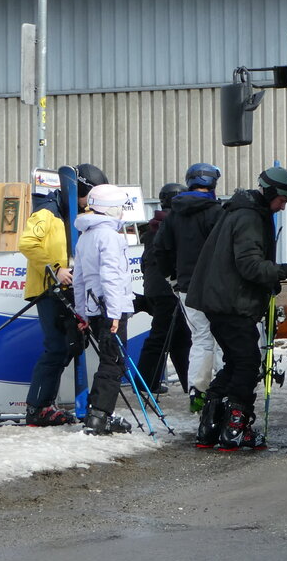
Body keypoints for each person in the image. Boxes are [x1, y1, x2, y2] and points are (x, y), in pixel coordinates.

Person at [187, 166, 287, 450]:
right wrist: (285, 270)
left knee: (236, 363)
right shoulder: (250, 217)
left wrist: (269, 283)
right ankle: (235, 427)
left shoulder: (244, 211)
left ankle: (210, 425)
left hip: (223, 301)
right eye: (282, 201)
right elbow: (249, 264)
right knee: (248, 364)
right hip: (231, 303)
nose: (282, 207)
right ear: (271, 193)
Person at [17, 162, 107, 427]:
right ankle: (37, 408)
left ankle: (45, 403)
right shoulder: (48, 211)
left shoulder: (79, 213)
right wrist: (55, 268)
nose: (88, 202)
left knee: (71, 346)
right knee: (57, 348)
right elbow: (27, 243)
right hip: (49, 289)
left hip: (71, 289)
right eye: (86, 197)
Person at [150, 163, 225, 412]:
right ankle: (225, 390)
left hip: (187, 286)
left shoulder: (173, 216)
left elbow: (159, 251)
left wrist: (172, 277)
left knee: (201, 338)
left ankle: (197, 394)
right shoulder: (218, 213)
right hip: (216, 286)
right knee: (223, 337)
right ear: (212, 183)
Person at [73, 183, 134, 436]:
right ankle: (99, 417)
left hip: (94, 306)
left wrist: (82, 313)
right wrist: (115, 312)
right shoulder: (109, 235)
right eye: (119, 207)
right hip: (110, 307)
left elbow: (79, 278)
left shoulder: (86, 234)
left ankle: (96, 413)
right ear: (109, 209)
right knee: (114, 362)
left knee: (109, 360)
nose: (121, 212)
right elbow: (111, 275)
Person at [136, 182, 190, 396]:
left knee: (180, 337)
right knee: (160, 336)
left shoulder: (153, 226)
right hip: (168, 288)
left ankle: (189, 383)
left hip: (155, 288)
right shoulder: (174, 224)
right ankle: (145, 383)